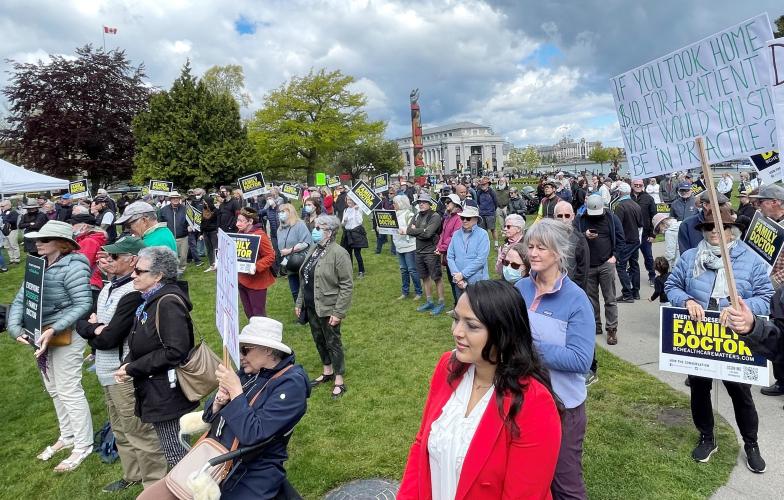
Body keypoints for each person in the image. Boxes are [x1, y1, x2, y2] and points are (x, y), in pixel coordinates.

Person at [398, 280, 562, 499]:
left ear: (503, 332)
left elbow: (523, 494)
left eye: (472, 325)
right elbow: (421, 445)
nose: (456, 331)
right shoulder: (448, 366)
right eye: (456, 319)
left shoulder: (534, 403)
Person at [139, 317, 310, 500]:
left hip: (248, 471)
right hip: (214, 457)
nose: (241, 356)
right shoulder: (250, 371)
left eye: (245, 350)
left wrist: (236, 391)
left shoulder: (291, 385)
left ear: (268, 350)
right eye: (239, 349)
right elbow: (209, 415)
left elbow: (254, 435)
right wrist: (218, 403)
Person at [664, 206, 771, 472]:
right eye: (709, 227)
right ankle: (707, 436)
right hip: (699, 335)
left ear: (731, 230)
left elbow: (766, 296)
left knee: (740, 392)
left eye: (721, 227)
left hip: (734, 336)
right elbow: (671, 286)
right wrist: (686, 300)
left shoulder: (750, 259)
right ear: (702, 230)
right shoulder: (690, 257)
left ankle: (751, 443)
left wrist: (742, 310)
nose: (715, 232)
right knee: (699, 389)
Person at [75, 236, 168, 491]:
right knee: (119, 429)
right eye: (106, 255)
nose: (107, 260)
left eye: (114, 257)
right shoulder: (108, 287)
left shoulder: (132, 293)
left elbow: (109, 338)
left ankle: (155, 485)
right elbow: (83, 322)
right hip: (106, 372)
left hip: (123, 373)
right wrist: (94, 328)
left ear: (132, 260)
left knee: (138, 431)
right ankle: (133, 475)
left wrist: (94, 329)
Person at [6, 221, 94, 472]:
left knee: (68, 389)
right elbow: (22, 298)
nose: (37, 244)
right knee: (54, 388)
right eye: (37, 240)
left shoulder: (75, 266)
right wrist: (14, 329)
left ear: (62, 243)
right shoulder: (38, 265)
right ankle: (67, 436)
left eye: (44, 240)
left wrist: (54, 328)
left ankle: (83, 444)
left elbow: (83, 304)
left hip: (66, 334)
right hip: (42, 334)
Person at [516, 219, 595, 497]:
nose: (533, 253)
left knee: (565, 482)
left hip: (563, 407)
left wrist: (527, 348)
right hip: (523, 399)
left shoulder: (577, 300)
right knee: (529, 477)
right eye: (531, 247)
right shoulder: (520, 289)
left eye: (542, 248)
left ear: (559, 253)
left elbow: (581, 360)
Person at [114, 246, 199, 467]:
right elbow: (144, 340)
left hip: (166, 393)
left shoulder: (167, 302)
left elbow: (175, 351)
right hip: (156, 388)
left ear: (158, 275)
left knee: (178, 456)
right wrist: (128, 363)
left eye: (139, 271)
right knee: (177, 452)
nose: (133, 275)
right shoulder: (150, 299)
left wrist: (133, 368)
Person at [295, 214, 353, 399]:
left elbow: (346, 285)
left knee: (333, 342)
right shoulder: (314, 248)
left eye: (319, 228)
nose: (315, 230)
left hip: (329, 307)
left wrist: (338, 312)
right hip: (312, 305)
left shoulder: (339, 253)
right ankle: (327, 371)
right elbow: (304, 278)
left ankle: (339, 379)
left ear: (330, 231)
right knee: (318, 339)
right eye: (315, 226)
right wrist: (300, 302)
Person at [575, 194, 625, 345]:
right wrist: (584, 235)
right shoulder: (581, 219)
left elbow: (621, 239)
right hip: (588, 266)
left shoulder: (611, 218)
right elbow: (574, 238)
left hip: (606, 264)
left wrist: (615, 257)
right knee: (591, 300)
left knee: (610, 299)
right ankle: (595, 325)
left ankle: (611, 329)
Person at [404, 193, 445, 316]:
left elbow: (428, 234)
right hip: (419, 251)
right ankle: (429, 301)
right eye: (419, 202)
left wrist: (417, 231)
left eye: (424, 202)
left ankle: (441, 302)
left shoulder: (435, 216)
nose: (421, 204)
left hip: (431, 252)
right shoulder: (416, 215)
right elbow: (408, 230)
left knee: (436, 277)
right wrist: (422, 230)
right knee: (424, 277)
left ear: (429, 204)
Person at [235, 208, 276, 319]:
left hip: (256, 282)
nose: (237, 224)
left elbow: (270, 256)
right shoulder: (240, 233)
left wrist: (256, 266)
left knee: (258, 314)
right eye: (237, 220)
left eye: (241, 221)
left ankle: (262, 335)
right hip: (242, 280)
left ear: (250, 222)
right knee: (249, 313)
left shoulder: (260, 235)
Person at [446, 205, 490, 295]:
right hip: (458, 280)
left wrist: (462, 275)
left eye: (468, 218)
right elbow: (450, 256)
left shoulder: (483, 234)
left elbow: (481, 259)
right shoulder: (456, 234)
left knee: (477, 308)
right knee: (461, 307)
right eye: (462, 218)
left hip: (477, 282)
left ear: (476, 219)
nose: (465, 220)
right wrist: (457, 276)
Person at [276, 203, 313, 303]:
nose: (280, 214)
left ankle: (309, 312)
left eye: (283, 211)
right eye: (279, 212)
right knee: (294, 290)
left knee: (305, 289)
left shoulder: (299, 225)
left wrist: (290, 250)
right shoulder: (280, 229)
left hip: (301, 261)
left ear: (290, 212)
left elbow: (306, 243)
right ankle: (300, 313)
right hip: (289, 263)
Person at [614, 182, 644, 303]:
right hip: (635, 239)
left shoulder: (620, 206)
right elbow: (641, 223)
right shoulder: (635, 205)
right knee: (634, 264)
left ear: (620, 193)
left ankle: (627, 293)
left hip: (625, 241)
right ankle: (635, 291)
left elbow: (617, 226)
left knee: (621, 266)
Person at [70, 209, 108, 305]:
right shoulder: (88, 239)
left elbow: (81, 265)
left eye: (73, 225)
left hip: (87, 284)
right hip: (87, 283)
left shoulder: (89, 241)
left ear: (84, 226)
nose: (71, 227)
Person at [678, 191, 730, 255]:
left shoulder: (729, 223)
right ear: (705, 205)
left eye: (724, 204)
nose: (723, 207)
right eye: (719, 204)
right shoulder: (687, 225)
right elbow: (685, 254)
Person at [392, 194, 422, 300]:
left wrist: (404, 231)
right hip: (399, 245)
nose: (393, 205)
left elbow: (413, 230)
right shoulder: (393, 214)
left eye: (394, 203)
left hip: (409, 246)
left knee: (412, 270)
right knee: (403, 270)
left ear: (400, 204)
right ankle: (405, 292)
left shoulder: (409, 214)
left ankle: (418, 292)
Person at [436, 193, 463, 307]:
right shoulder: (447, 218)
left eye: (448, 202)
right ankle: (456, 304)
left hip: (456, 255)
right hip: (448, 255)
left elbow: (453, 236)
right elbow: (442, 234)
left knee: (458, 282)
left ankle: (461, 306)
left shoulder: (459, 218)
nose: (446, 204)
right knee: (452, 281)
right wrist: (439, 246)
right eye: (445, 202)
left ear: (455, 204)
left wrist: (441, 248)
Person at [631, 179, 657, 287]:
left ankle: (652, 275)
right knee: (632, 257)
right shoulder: (628, 198)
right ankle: (631, 275)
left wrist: (653, 234)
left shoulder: (649, 199)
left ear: (643, 186)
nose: (638, 186)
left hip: (645, 234)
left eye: (640, 185)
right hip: (631, 233)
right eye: (635, 185)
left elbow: (654, 217)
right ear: (632, 185)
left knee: (648, 256)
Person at [158, 192, 189, 276]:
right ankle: (173, 271)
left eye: (177, 198)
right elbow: (160, 222)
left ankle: (181, 270)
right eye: (173, 198)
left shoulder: (185, 209)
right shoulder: (163, 210)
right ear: (170, 199)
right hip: (169, 237)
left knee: (183, 256)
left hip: (183, 236)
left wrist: (190, 226)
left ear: (179, 199)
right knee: (171, 255)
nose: (175, 199)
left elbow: (191, 221)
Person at [340, 196, 368, 278]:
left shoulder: (358, 209)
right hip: (347, 234)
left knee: (357, 253)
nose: (349, 201)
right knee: (348, 253)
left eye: (351, 200)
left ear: (354, 200)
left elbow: (359, 222)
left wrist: (356, 211)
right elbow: (343, 224)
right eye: (348, 199)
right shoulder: (346, 210)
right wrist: (344, 221)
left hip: (356, 234)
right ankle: (349, 270)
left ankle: (361, 271)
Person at [476, 177, 498, 245]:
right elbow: (478, 202)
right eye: (482, 184)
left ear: (488, 184)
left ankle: (496, 244)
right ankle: (485, 243)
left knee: (493, 229)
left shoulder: (492, 192)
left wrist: (492, 210)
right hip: (482, 213)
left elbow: (496, 203)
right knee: (483, 230)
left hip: (490, 214)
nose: (483, 186)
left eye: (484, 184)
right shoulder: (479, 192)